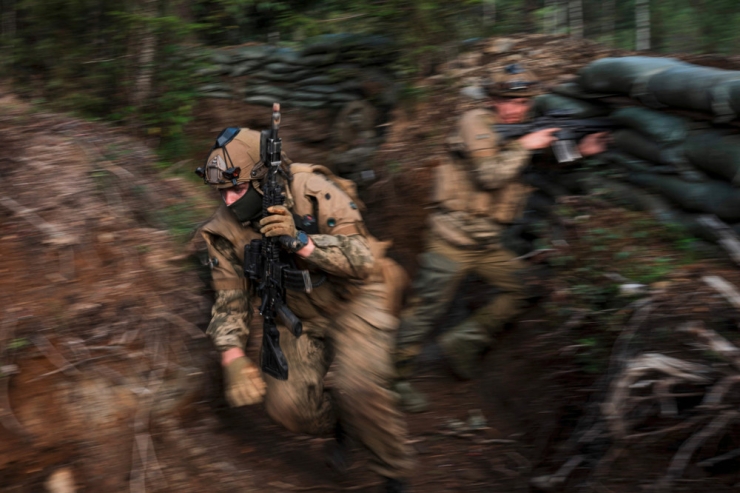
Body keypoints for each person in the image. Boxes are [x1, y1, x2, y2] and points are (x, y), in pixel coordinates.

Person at [196, 125, 414, 492]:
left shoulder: (313, 190)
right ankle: (351, 424)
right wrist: (231, 356)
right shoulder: (222, 232)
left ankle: (394, 473)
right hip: (296, 314)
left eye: (237, 189)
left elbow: (361, 259)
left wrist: (303, 243)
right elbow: (230, 298)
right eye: (222, 191)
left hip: (355, 298)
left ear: (264, 178)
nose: (229, 201)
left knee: (357, 386)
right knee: (288, 409)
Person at [393, 64, 609, 412]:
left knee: (525, 286)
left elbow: (536, 167)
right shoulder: (474, 123)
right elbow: (490, 175)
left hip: (487, 242)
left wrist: (581, 149)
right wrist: (527, 143)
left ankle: (464, 341)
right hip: (451, 237)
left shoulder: (519, 131)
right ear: (492, 101)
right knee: (425, 310)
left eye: (522, 101)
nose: (514, 109)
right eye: (506, 101)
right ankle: (394, 379)